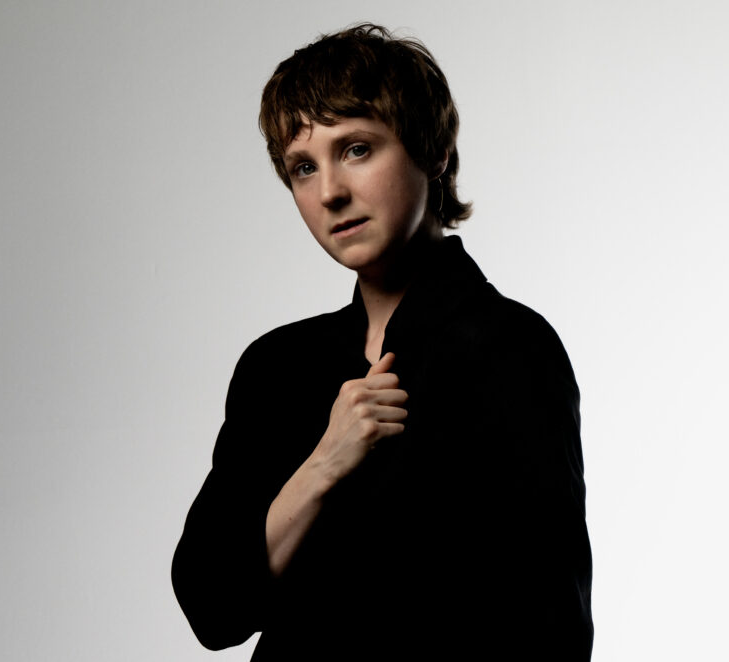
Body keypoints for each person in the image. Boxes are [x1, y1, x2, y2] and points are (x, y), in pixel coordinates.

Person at [172, 23, 593, 661]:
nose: (330, 192)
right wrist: (324, 463)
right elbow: (211, 606)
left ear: (433, 151)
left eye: (358, 149)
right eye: (303, 168)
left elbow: (551, 629)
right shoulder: (277, 366)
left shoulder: (510, 348)